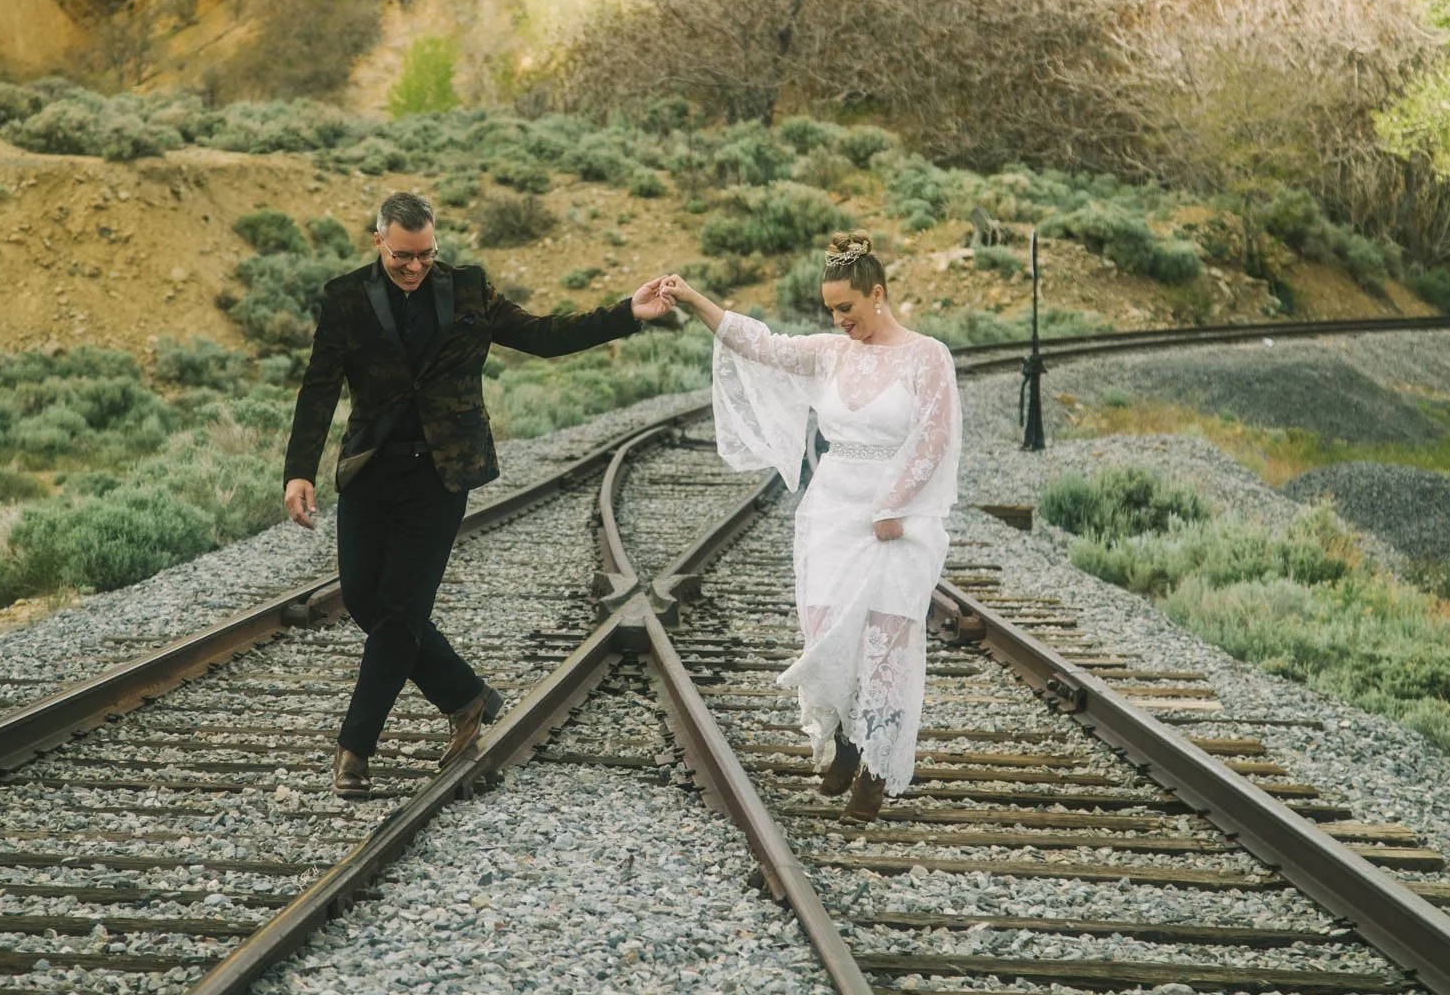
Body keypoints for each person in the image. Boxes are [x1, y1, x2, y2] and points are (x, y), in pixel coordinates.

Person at [283, 191, 677, 793]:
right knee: (364, 599)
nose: (414, 267)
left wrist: (627, 311)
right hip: (370, 469)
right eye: (401, 257)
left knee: (401, 610)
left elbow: (545, 336)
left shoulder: (467, 290)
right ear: (378, 242)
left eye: (424, 255)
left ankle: (354, 748)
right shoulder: (345, 298)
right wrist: (299, 470)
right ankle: (466, 698)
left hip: (442, 474)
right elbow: (318, 389)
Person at [661, 232, 961, 821]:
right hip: (832, 511)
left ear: (878, 294)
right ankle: (847, 742)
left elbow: (935, 436)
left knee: (885, 641)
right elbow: (762, 345)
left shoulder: (927, 355)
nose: (838, 319)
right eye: (830, 310)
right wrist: (696, 301)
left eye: (847, 307)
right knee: (830, 637)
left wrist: (893, 507)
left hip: (898, 522)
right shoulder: (830, 353)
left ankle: (875, 771)